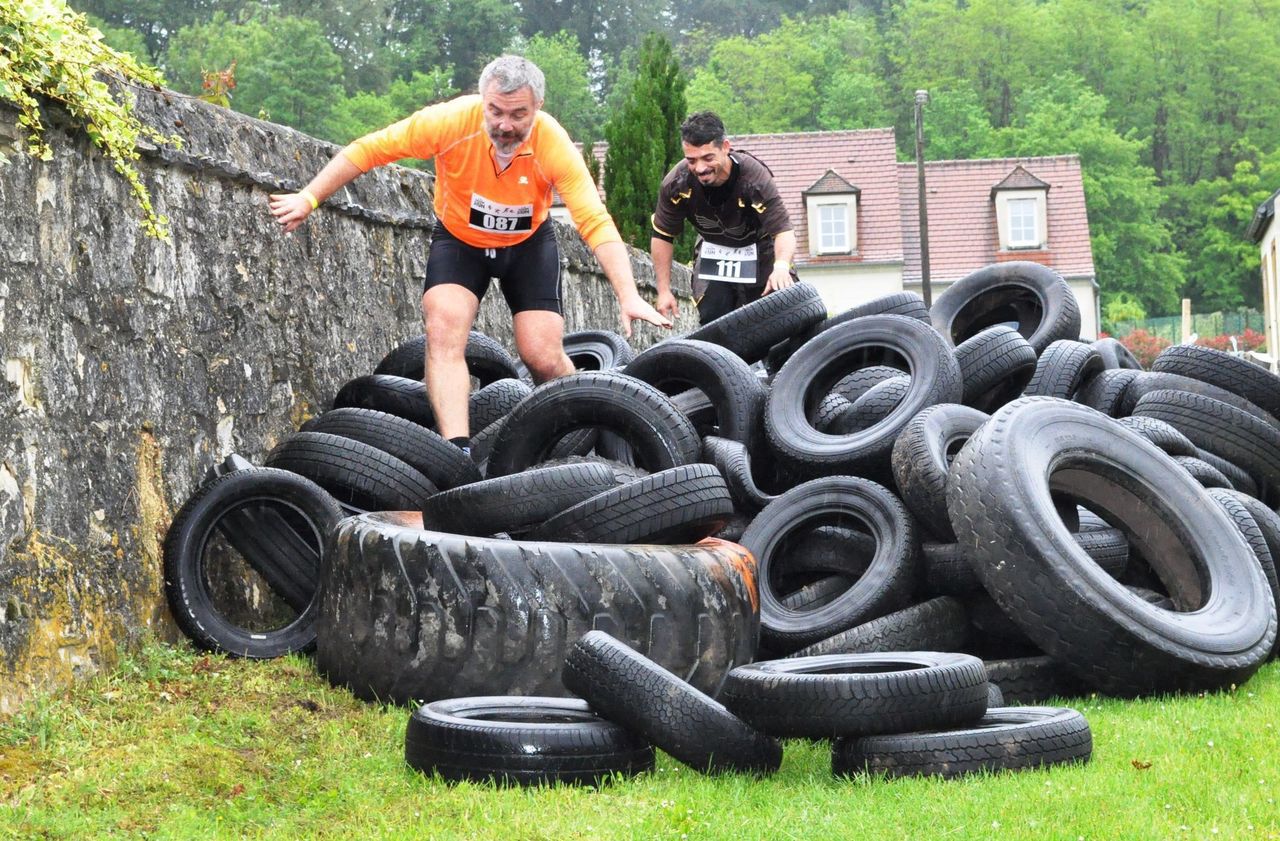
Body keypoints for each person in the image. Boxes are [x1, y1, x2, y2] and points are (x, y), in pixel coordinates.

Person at [269, 55, 671, 452]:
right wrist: (310, 197)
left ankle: (590, 430)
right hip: (461, 240)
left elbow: (594, 221)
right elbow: (368, 150)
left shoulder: (553, 143)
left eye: (518, 115)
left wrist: (628, 294)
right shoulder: (448, 122)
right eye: (495, 111)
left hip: (527, 245)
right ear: (482, 101)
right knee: (443, 329)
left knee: (542, 354)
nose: (505, 125)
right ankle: (456, 453)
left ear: (538, 108)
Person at [650, 111, 798, 325]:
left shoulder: (754, 177)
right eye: (691, 160)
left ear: (726, 147)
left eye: (708, 158)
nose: (700, 168)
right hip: (714, 247)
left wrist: (782, 266)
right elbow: (662, 236)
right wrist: (663, 290)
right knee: (712, 313)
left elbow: (783, 231)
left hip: (760, 247)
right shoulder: (676, 183)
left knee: (780, 306)